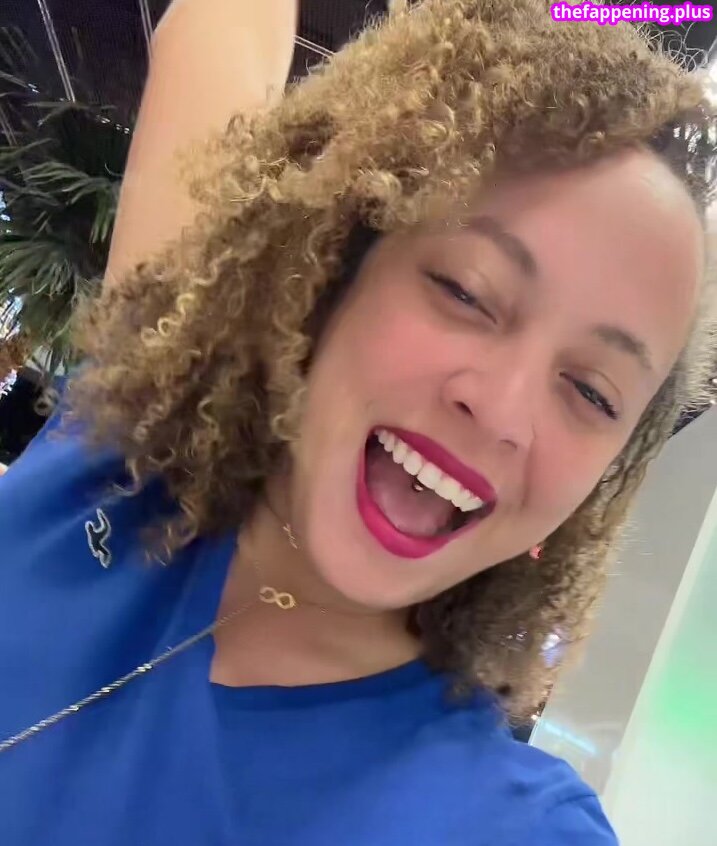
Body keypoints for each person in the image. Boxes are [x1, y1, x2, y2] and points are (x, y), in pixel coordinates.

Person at [0, 0, 715, 843]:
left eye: (592, 393)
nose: (502, 409)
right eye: (465, 291)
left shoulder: (503, 825)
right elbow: (223, 30)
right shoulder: (121, 445)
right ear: (332, 264)